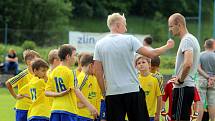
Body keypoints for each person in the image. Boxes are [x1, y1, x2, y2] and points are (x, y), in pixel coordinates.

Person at [94, 12, 174, 121]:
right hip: (132, 90)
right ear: (117, 25)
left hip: (113, 93)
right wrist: (168, 46)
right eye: (124, 25)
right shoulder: (130, 39)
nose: (126, 29)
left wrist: (104, 92)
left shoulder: (99, 44)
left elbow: (97, 72)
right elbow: (151, 54)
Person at [45, 44, 98, 121]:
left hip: (55, 110)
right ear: (68, 57)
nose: (75, 58)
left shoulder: (53, 72)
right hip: (68, 111)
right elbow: (77, 91)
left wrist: (58, 94)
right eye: (74, 55)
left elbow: (47, 92)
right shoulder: (70, 73)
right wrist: (90, 106)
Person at [168, 13, 200, 121]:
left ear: (179, 25)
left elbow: (188, 63)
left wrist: (180, 80)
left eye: (171, 26)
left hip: (183, 87)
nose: (170, 29)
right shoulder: (190, 39)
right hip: (185, 87)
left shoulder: (187, 40)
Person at [5, 49, 40, 121]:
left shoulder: (38, 74)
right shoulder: (23, 74)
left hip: (34, 108)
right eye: (37, 60)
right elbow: (8, 83)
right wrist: (16, 96)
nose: (39, 62)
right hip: (23, 108)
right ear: (29, 62)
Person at [77, 53, 104, 121]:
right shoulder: (81, 78)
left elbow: (99, 96)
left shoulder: (95, 77)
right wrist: (85, 105)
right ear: (91, 65)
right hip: (83, 116)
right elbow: (74, 96)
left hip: (95, 116)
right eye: (95, 66)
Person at [135, 55, 162, 121]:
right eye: (139, 63)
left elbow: (159, 97)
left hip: (150, 115)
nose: (141, 64)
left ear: (149, 64)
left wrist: (157, 114)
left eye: (143, 62)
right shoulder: (135, 79)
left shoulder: (155, 79)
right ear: (136, 67)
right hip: (137, 114)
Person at [197, 38, 215, 121]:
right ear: (213, 46)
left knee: (201, 103)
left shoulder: (200, 55)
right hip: (213, 82)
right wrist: (212, 78)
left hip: (202, 80)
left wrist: (207, 77)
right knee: (212, 103)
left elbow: (198, 68)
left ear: (205, 45)